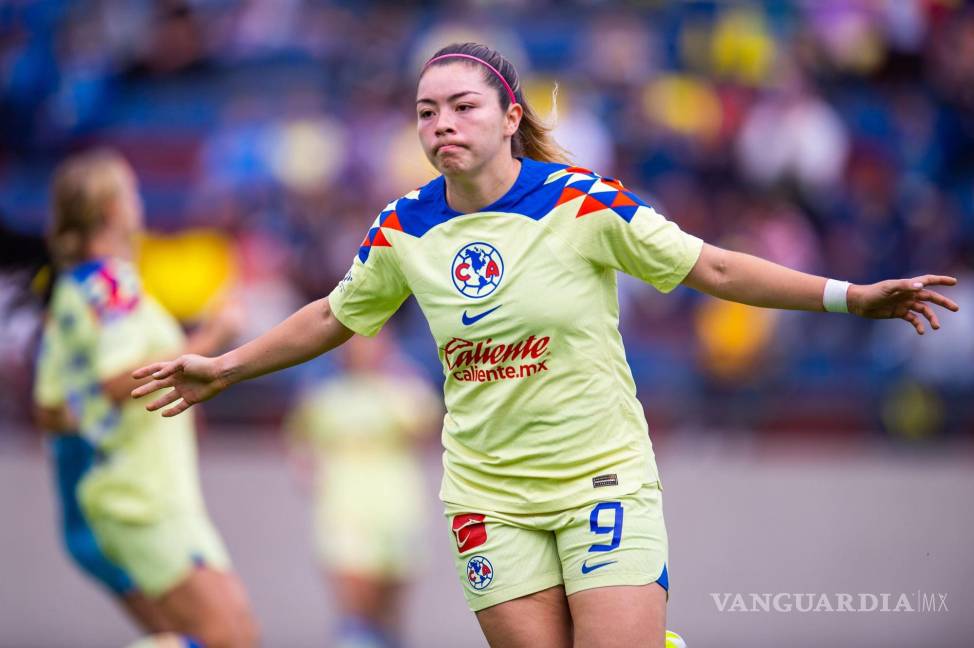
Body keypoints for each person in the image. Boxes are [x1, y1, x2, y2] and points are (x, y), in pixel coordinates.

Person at [132, 43, 959, 648]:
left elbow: (711, 266)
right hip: (487, 497)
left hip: (601, 477)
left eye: (462, 106)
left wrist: (851, 297)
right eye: (426, 111)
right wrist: (225, 368)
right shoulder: (404, 226)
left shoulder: (581, 203)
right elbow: (332, 317)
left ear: (510, 118)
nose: (441, 123)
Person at [35, 149, 258, 648]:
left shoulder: (71, 291)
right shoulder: (112, 284)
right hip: (141, 496)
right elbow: (119, 380)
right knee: (226, 639)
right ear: (113, 208)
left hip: (140, 492)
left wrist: (104, 425)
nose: (140, 203)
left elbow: (51, 409)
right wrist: (216, 335)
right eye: (132, 192)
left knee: (232, 636)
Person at [284, 332, 441, 648]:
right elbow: (299, 441)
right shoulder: (324, 396)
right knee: (355, 601)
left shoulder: (403, 390)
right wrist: (309, 472)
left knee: (389, 611)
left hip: (397, 506)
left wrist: (395, 374)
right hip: (344, 508)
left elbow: (427, 428)